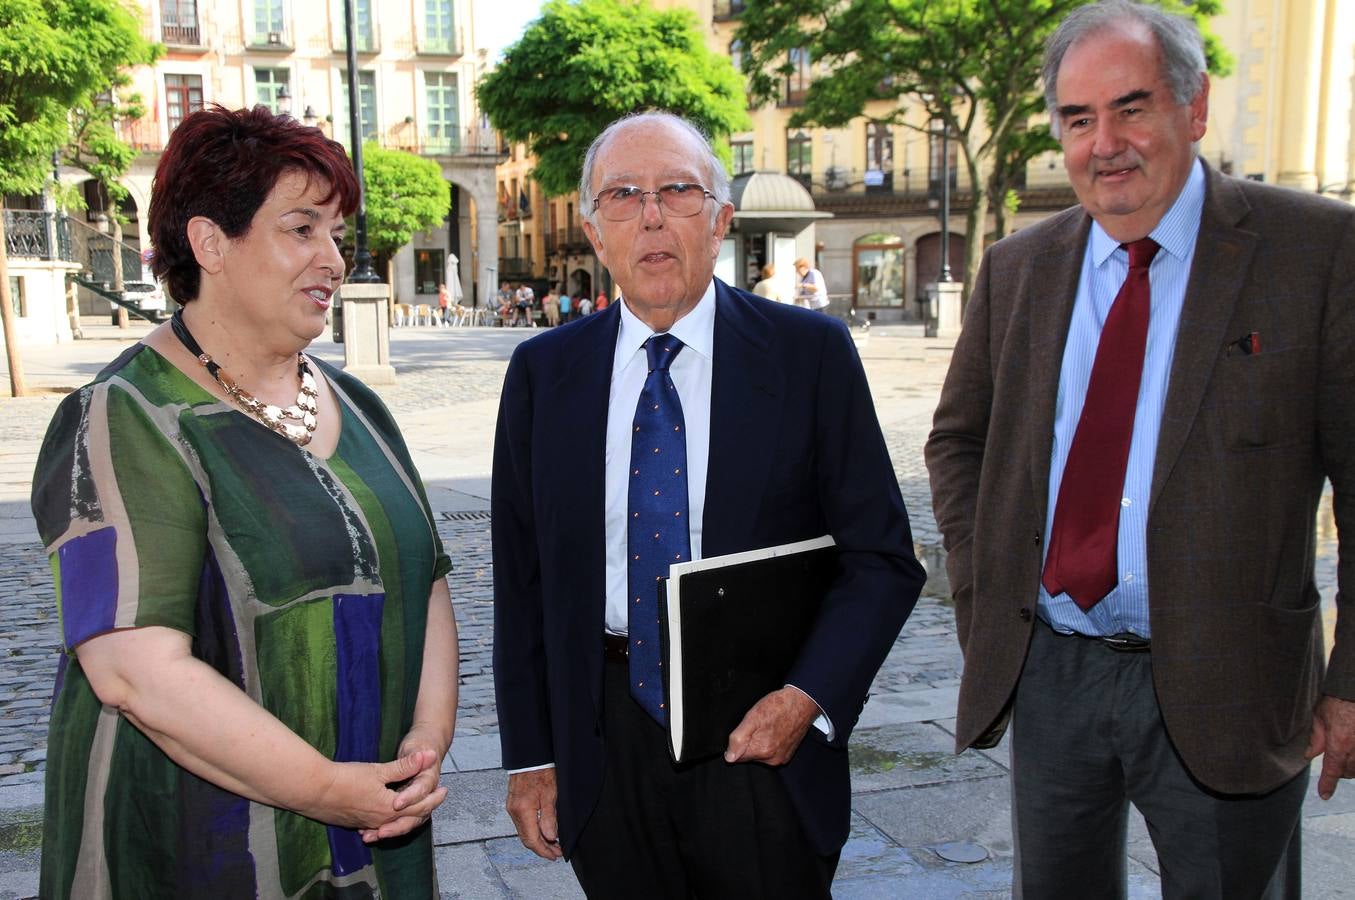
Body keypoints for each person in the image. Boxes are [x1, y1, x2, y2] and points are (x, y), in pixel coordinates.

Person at [924, 2, 1355, 896]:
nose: (1103, 142)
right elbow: (958, 442)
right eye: (1077, 119)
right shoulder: (1019, 269)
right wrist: (984, 594)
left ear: (1193, 111)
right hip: (1053, 673)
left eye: (1131, 106)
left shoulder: (1312, 250)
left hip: (1233, 679)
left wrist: (1349, 682)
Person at [30, 105, 460, 898]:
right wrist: (329, 789)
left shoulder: (360, 406)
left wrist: (424, 747)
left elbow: (425, 578)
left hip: (377, 825)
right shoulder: (123, 415)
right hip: (204, 849)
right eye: (302, 229)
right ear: (210, 244)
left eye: (336, 232)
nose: (332, 257)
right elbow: (135, 673)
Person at [491, 111, 924, 898]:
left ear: (720, 219)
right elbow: (521, 581)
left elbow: (883, 561)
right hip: (603, 739)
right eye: (622, 195)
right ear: (593, 231)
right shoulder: (542, 375)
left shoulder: (807, 356)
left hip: (760, 732)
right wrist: (529, 758)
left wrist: (808, 699)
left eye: (677, 192)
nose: (651, 215)